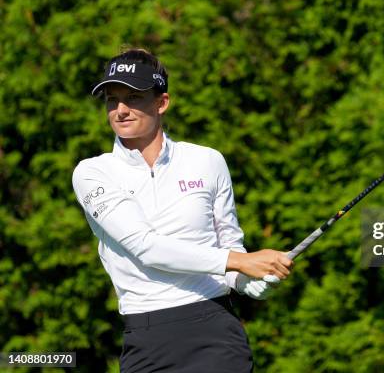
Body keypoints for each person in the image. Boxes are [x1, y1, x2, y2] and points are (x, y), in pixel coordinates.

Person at [72, 48, 293, 372]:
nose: (120, 110)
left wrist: (247, 281)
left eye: (133, 97)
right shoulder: (92, 173)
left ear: (162, 102)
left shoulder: (207, 160)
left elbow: (228, 247)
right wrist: (240, 262)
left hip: (217, 332)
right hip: (146, 338)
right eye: (111, 99)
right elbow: (146, 247)